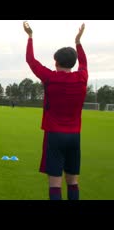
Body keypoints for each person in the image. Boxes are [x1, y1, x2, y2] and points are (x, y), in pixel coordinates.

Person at [23, 21, 87, 200]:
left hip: (55, 136)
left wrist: (30, 37)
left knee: (55, 184)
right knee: (73, 181)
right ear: (73, 63)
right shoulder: (82, 78)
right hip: (75, 136)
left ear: (56, 62)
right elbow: (84, 62)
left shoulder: (50, 77)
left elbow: (31, 60)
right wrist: (78, 42)